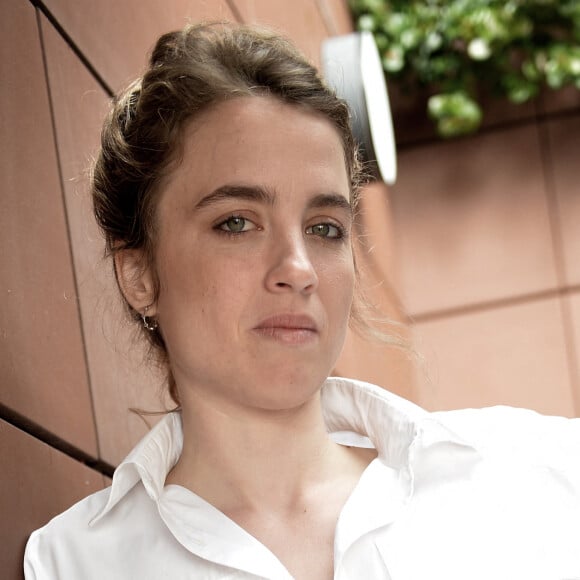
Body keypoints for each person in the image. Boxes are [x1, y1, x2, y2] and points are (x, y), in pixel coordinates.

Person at [24, 22, 580, 580]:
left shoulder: (535, 474)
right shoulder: (74, 563)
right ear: (140, 274)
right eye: (237, 222)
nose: (298, 269)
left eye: (325, 228)